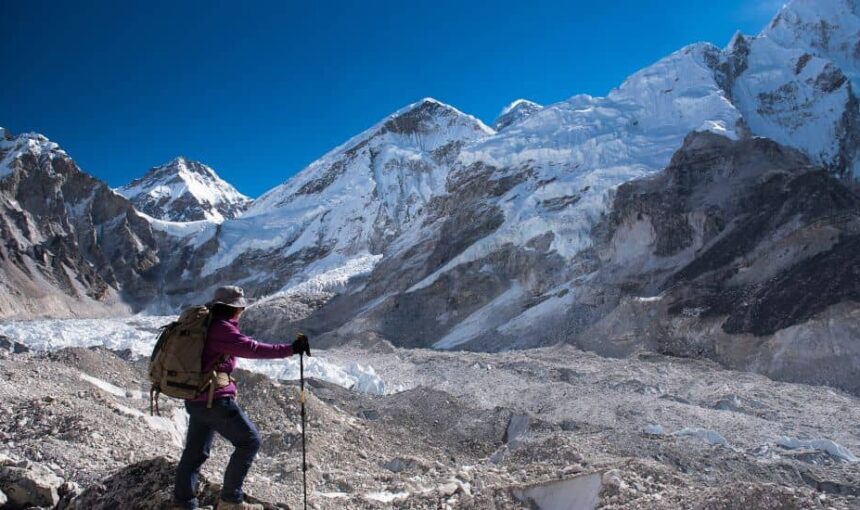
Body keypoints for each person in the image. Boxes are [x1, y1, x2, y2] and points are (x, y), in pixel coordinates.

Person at [172, 286, 311, 510]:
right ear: (235, 309)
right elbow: (252, 349)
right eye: (241, 308)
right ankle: (230, 500)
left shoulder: (206, 326)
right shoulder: (222, 330)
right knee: (249, 441)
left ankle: (183, 503)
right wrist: (291, 349)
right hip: (215, 399)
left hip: (196, 398)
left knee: (195, 453)